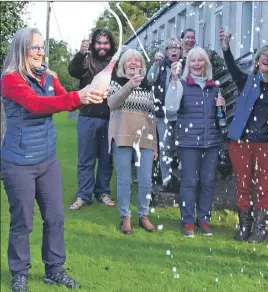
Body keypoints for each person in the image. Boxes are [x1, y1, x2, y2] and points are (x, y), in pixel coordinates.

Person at [0, 27, 106, 291]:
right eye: (35, 47)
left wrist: (89, 94)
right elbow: (36, 105)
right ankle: (19, 273)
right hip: (18, 162)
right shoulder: (11, 80)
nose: (40, 51)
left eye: (42, 46)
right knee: (22, 220)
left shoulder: (48, 76)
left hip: (47, 160)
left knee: (56, 216)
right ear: (21, 49)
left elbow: (63, 99)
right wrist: (77, 97)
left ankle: (54, 269)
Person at [219, 27, 268, 243]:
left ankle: (259, 228)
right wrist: (226, 49)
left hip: (266, 145)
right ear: (257, 62)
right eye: (264, 57)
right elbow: (231, 67)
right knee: (242, 184)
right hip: (240, 143)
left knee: (263, 186)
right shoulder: (247, 81)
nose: (267, 59)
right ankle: (244, 225)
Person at [165, 47, 224, 237]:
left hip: (211, 142)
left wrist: (220, 107)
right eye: (193, 61)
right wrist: (174, 80)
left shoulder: (214, 86)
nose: (197, 64)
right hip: (189, 142)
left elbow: (219, 117)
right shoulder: (181, 84)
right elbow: (171, 108)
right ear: (188, 64)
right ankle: (188, 221)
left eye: (200, 61)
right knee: (189, 182)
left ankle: (204, 219)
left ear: (206, 64)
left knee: (207, 182)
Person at [107, 49, 159, 234]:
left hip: (145, 139)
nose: (133, 62)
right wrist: (129, 85)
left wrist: (154, 145)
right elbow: (112, 103)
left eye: (137, 60)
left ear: (142, 65)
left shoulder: (148, 85)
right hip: (122, 136)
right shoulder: (116, 82)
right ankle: (126, 217)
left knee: (145, 180)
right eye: (129, 60)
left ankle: (144, 216)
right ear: (123, 64)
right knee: (124, 180)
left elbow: (152, 117)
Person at [68, 28, 117, 210]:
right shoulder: (87, 59)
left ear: (110, 44)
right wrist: (81, 53)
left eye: (106, 43)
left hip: (110, 119)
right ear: (93, 43)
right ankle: (83, 195)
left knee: (106, 159)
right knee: (86, 160)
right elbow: (72, 71)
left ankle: (102, 192)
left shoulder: (115, 63)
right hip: (87, 117)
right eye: (99, 43)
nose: (102, 46)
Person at [150, 38, 182, 192]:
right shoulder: (160, 66)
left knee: (182, 147)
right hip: (162, 114)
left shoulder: (186, 66)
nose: (174, 50)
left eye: (177, 48)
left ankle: (183, 179)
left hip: (181, 115)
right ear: (166, 51)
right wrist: (155, 65)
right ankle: (166, 180)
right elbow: (149, 79)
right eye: (171, 48)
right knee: (164, 148)